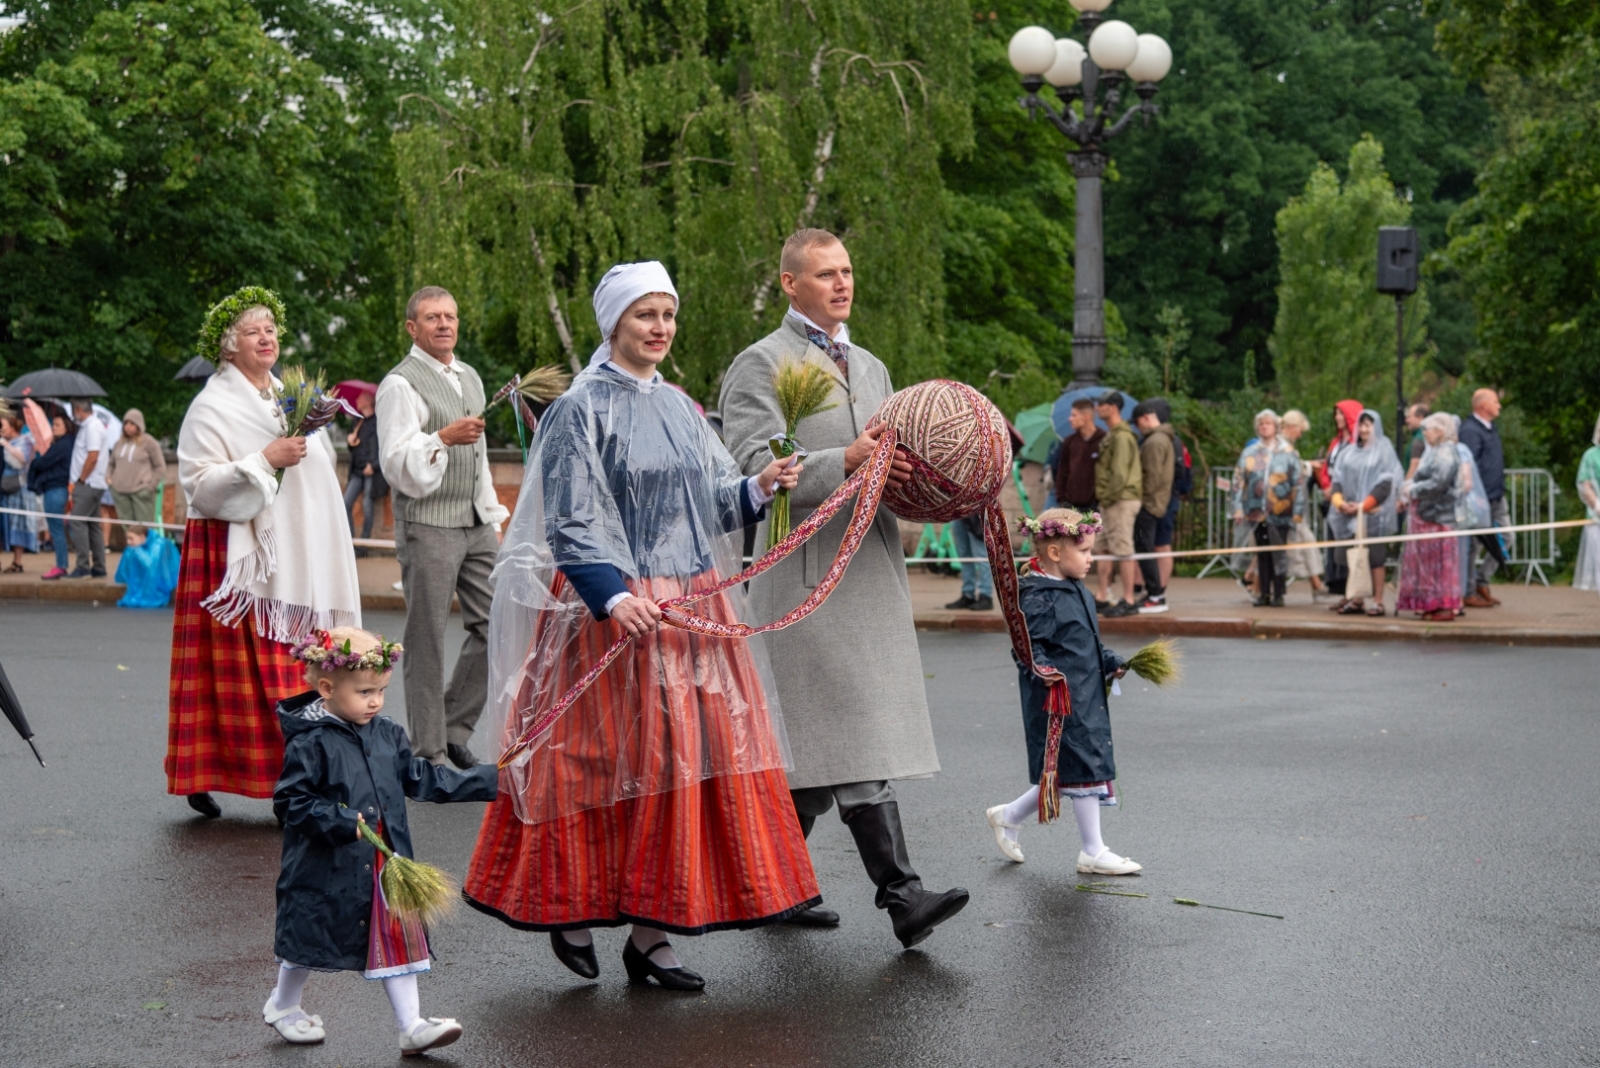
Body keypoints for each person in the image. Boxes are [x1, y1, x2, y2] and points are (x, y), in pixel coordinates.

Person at [465, 261, 818, 990]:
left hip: (687, 608)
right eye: (644, 316)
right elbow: (567, 515)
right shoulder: (580, 407)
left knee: (681, 765)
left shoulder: (683, 408)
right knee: (589, 761)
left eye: (667, 315)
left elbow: (710, 504)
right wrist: (609, 594)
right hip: (612, 613)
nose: (659, 329)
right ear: (613, 324)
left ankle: (652, 935)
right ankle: (569, 904)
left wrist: (759, 486)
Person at [719, 228, 969, 947]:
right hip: (802, 576)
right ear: (789, 283)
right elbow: (749, 465)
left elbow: (895, 463)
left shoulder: (871, 364)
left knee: (815, 753)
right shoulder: (759, 363)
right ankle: (903, 898)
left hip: (870, 569)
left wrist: (939, 487)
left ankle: (770, 888)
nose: (841, 283)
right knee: (852, 738)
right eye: (824, 273)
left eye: (847, 271)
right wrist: (842, 459)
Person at [166, 286, 362, 821]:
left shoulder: (291, 399)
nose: (267, 338)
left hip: (295, 558)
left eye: (271, 330)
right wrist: (263, 459)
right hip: (237, 560)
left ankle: (294, 784)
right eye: (254, 331)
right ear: (230, 347)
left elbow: (317, 480)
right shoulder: (212, 405)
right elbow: (200, 484)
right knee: (240, 679)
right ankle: (226, 777)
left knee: (294, 674)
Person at [266, 626, 496, 1054]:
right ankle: (283, 1004)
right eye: (365, 692)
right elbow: (290, 801)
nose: (375, 701)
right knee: (308, 938)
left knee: (397, 936)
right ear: (327, 687)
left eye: (381, 690)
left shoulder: (387, 733)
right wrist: (335, 819)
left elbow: (423, 778)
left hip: (387, 863)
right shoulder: (309, 741)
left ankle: (411, 1026)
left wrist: (489, 780)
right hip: (327, 865)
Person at [376, 287, 509, 769]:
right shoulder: (399, 384)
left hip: (475, 522)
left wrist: (490, 515)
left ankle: (453, 728)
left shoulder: (469, 376)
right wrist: (441, 438)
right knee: (428, 636)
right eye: (432, 317)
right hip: (428, 523)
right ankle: (427, 752)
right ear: (413, 328)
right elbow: (395, 463)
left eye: (450, 316)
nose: (444, 324)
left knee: (500, 625)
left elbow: (480, 458)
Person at [984, 508, 1139, 875]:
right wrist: (1045, 671)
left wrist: (1110, 661)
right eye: (1084, 552)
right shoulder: (1038, 597)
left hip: (1085, 697)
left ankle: (1008, 816)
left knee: (1070, 772)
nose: (1091, 559)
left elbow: (1087, 642)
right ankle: (1093, 850)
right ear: (1055, 553)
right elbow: (1027, 649)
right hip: (1058, 701)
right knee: (1078, 769)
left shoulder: (1076, 590)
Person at [1328, 410, 1403, 617]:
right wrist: (1339, 502)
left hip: (1373, 515)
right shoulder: (1348, 453)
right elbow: (1338, 481)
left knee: (1375, 558)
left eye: (1368, 425)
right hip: (1349, 513)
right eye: (1360, 425)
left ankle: (1378, 600)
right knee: (1354, 557)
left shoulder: (1383, 451)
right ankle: (1356, 597)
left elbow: (1386, 482)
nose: (1363, 429)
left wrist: (1364, 506)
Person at [1230, 410, 1305, 607]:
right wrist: (1238, 508)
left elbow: (1298, 482)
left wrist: (1298, 511)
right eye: (1261, 424)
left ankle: (1279, 593)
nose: (1264, 427)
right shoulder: (1250, 453)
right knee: (1263, 553)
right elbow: (1238, 481)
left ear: (1276, 427)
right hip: (1256, 512)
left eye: (1268, 423)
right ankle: (1263, 591)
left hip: (1282, 511)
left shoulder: (1288, 453)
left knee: (1279, 553)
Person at [1396, 413, 1462, 621]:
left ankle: (1443, 604)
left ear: (1441, 431)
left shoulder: (1446, 452)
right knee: (1427, 565)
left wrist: (1413, 489)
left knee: (1439, 565)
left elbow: (1439, 482)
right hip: (1427, 516)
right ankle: (1430, 602)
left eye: (1429, 429)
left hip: (1436, 517)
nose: (1425, 433)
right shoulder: (1434, 451)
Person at [1093, 391, 1142, 617]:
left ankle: (1128, 599)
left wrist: (1107, 496)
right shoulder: (1113, 435)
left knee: (1123, 549)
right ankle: (1103, 595)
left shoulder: (1122, 437)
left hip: (1120, 499)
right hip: (1112, 500)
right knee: (1104, 547)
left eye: (1101, 405)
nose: (1097, 408)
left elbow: (1120, 475)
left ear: (1113, 407)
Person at [1458, 389, 1506, 608]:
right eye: (1495, 402)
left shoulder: (1490, 428)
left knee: (1506, 537)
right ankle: (1467, 591)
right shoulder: (1470, 431)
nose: (1499, 406)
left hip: (1496, 496)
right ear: (1483, 405)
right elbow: (1469, 465)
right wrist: (1475, 496)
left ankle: (1481, 581)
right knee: (1473, 546)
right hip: (1479, 499)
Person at [1314, 400, 1365, 599]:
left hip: (1349, 495)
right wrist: (1326, 485)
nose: (1337, 418)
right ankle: (1334, 580)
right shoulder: (1336, 442)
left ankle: (1348, 585)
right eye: (1336, 414)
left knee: (1348, 539)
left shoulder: (1356, 444)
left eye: (1341, 414)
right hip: (1333, 495)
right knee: (1334, 537)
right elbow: (1327, 465)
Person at [1131, 401, 1175, 614]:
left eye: (1138, 423)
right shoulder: (1163, 439)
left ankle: (1155, 595)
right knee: (1146, 548)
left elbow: (1151, 477)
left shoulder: (1154, 442)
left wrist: (1142, 502)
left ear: (1147, 417)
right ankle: (1155, 593)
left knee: (1144, 549)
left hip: (1149, 504)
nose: (1138, 428)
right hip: (1156, 503)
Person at [66, 398, 113, 578]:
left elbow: (92, 456)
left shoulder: (92, 427)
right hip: (92, 483)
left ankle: (83, 565)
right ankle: (99, 566)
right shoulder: (89, 426)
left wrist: (81, 479)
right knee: (92, 524)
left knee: (77, 521)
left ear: (78, 409)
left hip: (89, 483)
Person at [1279, 409, 1324, 593]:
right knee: (1303, 540)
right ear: (1292, 427)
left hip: (1289, 503)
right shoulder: (1282, 446)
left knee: (1303, 540)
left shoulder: (1283, 445)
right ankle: (1316, 584)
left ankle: (1316, 583)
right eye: (1300, 431)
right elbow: (1288, 468)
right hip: (1285, 503)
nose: (1300, 435)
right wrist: (1308, 466)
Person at [106, 409, 165, 541]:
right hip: (120, 492)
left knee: (145, 527)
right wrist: (109, 479)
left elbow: (160, 466)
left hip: (141, 491)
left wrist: (150, 487)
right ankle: (133, 554)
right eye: (126, 423)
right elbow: (111, 463)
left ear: (139, 425)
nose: (128, 426)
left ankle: (149, 554)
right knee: (128, 528)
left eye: (132, 423)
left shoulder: (149, 442)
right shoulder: (119, 443)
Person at [27, 412, 73, 580]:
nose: (54, 428)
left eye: (57, 425)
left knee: (56, 529)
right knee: (56, 528)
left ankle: (61, 565)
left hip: (55, 489)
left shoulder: (63, 445)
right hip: (56, 489)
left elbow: (43, 463)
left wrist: (38, 458)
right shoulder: (62, 444)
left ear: (67, 427)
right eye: (53, 425)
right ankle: (61, 564)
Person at [343, 390, 384, 548]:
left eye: (360, 398)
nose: (357, 400)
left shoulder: (379, 421)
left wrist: (373, 465)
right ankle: (351, 540)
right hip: (356, 471)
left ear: (368, 400)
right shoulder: (357, 421)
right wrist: (350, 441)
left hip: (371, 472)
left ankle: (364, 543)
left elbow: (384, 446)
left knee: (367, 504)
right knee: (346, 503)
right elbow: (353, 447)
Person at [1, 412, 39, 571]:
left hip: (20, 489)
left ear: (13, 425)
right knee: (5, 525)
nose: (0, 429)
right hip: (5, 487)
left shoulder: (26, 441)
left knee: (18, 523)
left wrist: (7, 446)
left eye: (2, 425)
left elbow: (23, 460)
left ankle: (17, 562)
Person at [944, 510, 993, 611]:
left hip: (976, 511)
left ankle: (986, 596)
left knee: (981, 557)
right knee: (965, 557)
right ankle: (968, 595)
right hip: (957, 513)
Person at [1402, 402, 1431, 481]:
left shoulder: (1419, 440)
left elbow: (1414, 466)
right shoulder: (1429, 436)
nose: (1406, 420)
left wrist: (1405, 486)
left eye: (1409, 417)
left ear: (1420, 418)